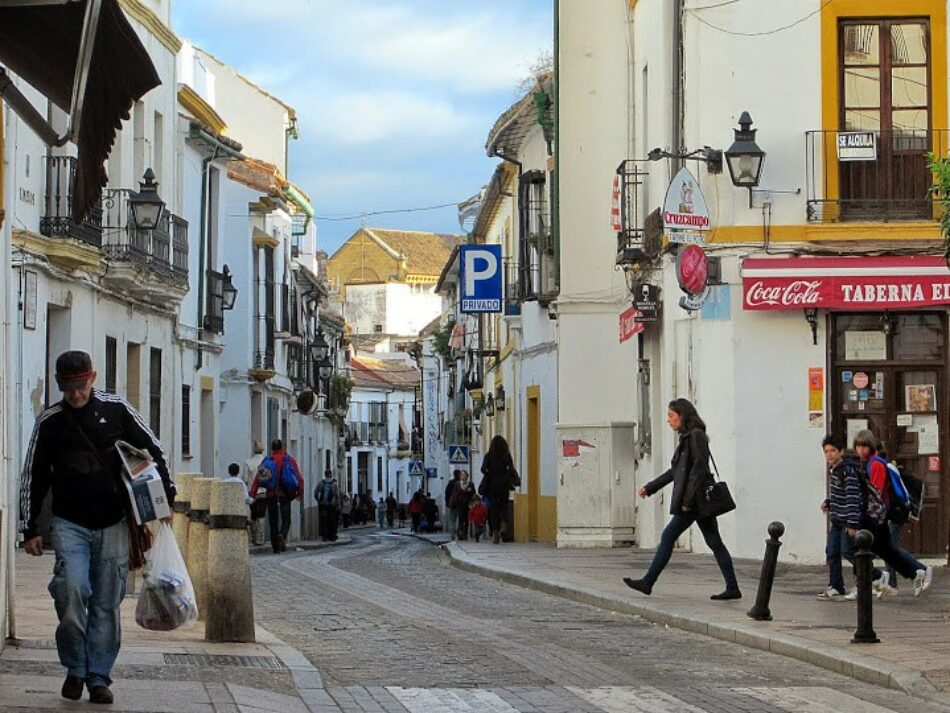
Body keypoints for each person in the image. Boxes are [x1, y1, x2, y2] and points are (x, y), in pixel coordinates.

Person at [19, 350, 175, 705]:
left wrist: (166, 498)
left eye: (82, 386)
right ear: (61, 385)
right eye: (69, 388)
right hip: (69, 523)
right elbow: (35, 475)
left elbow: (154, 450)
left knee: (106, 603)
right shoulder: (50, 422)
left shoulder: (117, 410)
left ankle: (98, 677)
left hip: (114, 522)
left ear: (93, 378)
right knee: (71, 591)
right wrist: (29, 528)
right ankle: (75, 667)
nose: (76, 394)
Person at [624, 398, 741, 600]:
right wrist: (651, 487)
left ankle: (648, 582)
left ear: (682, 415)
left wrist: (687, 501)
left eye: (671, 415)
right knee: (715, 542)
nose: (668, 420)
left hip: (694, 501)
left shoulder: (695, 436)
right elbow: (676, 471)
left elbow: (699, 471)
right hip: (695, 500)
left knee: (668, 536)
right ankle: (732, 588)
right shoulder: (687, 437)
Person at [852, 430, 932, 597]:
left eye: (864, 446)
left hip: (879, 514)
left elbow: (876, 492)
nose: (860, 450)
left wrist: (867, 515)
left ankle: (882, 578)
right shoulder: (867, 463)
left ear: (871, 446)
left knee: (865, 550)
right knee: (886, 550)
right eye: (858, 446)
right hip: (880, 513)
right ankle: (911, 572)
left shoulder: (875, 464)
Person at [816, 435, 886, 601]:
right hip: (837, 519)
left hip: (848, 520)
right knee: (832, 552)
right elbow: (840, 495)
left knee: (849, 551)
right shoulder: (834, 470)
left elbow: (853, 498)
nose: (829, 454)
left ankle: (875, 575)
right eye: (826, 451)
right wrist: (829, 502)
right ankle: (836, 586)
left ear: (841, 451)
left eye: (833, 451)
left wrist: (853, 523)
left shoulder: (848, 471)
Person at [248, 439, 304, 554]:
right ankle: (282, 536)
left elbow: (257, 479)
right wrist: (300, 493)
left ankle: (275, 547)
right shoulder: (289, 460)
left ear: (272, 448)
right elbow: (299, 478)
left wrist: (252, 494)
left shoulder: (267, 460)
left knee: (273, 521)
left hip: (271, 494)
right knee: (286, 519)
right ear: (282, 447)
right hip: (284, 494)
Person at [479, 435, 520, 544]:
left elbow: (483, 469)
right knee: (504, 507)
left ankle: (495, 530)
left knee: (493, 510)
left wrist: (489, 472)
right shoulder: (506, 456)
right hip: (504, 486)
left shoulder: (488, 456)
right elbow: (511, 469)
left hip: (492, 486)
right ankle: (503, 522)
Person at [243, 441, 266, 545]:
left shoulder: (248, 462)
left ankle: (252, 536)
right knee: (261, 514)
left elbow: (246, 479)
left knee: (253, 514)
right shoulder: (266, 462)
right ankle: (260, 538)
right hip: (263, 491)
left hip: (252, 492)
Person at [315, 469, 340, 542]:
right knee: (332, 520)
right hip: (332, 506)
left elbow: (316, 493)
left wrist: (319, 501)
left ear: (325, 474)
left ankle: (324, 536)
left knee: (324, 520)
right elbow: (337, 495)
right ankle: (332, 536)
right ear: (331, 474)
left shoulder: (321, 483)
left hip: (323, 505)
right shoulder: (334, 484)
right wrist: (337, 505)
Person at [452, 470, 476, 540]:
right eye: (461, 475)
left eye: (464, 475)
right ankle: (460, 533)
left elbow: (473, 494)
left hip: (468, 504)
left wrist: (472, 502)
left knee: (466, 519)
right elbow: (454, 493)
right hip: (460, 504)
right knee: (460, 519)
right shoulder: (457, 484)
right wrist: (454, 502)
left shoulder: (470, 484)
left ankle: (465, 533)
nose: (462, 476)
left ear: (467, 476)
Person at [445, 471, 460, 540]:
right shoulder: (461, 483)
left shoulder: (450, 483)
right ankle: (457, 531)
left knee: (452, 519)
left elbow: (447, 493)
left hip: (452, 504)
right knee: (458, 518)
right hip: (460, 504)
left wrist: (448, 503)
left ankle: (452, 533)